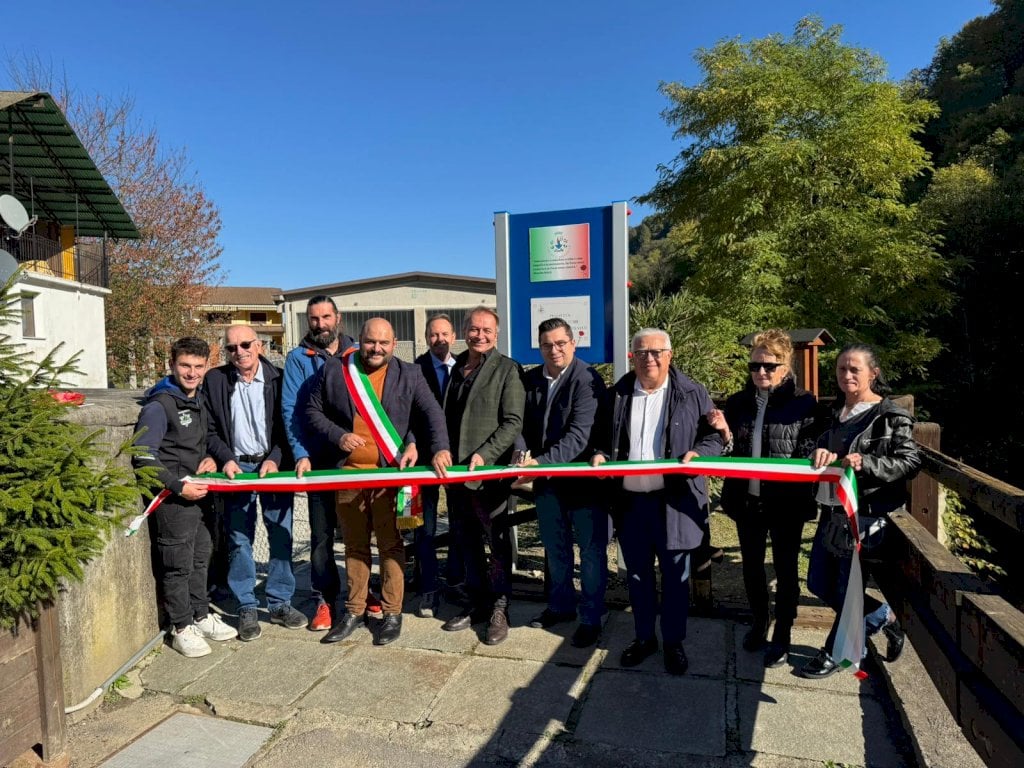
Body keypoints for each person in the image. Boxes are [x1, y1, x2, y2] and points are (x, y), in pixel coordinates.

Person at [306, 318, 450, 646]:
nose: (377, 349)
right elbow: (311, 411)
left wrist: (438, 448)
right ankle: (355, 610)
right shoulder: (334, 371)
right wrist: (338, 435)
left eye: (384, 343)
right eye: (371, 342)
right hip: (349, 475)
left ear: (394, 343)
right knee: (354, 547)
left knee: (390, 545)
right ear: (361, 341)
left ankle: (392, 612)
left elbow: (431, 414)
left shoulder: (410, 373)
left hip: (390, 477)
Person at [590, 328, 723, 675]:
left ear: (670, 355)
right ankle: (644, 637)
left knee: (675, 578)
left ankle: (674, 642)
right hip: (631, 504)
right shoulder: (617, 394)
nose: (649, 358)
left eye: (656, 352)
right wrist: (601, 455)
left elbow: (715, 437)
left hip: (673, 503)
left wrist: (700, 452)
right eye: (642, 352)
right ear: (632, 356)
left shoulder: (692, 392)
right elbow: (601, 439)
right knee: (637, 577)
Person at [800, 342, 921, 679]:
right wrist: (819, 450)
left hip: (866, 515)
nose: (847, 375)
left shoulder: (891, 415)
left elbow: (910, 461)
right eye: (842, 369)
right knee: (818, 583)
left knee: (844, 587)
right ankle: (884, 616)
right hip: (831, 511)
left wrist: (866, 462)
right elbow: (812, 445)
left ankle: (835, 653)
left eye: (855, 369)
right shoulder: (832, 412)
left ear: (873, 373)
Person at [710, 329, 820, 668]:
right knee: (753, 568)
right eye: (755, 365)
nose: (761, 372)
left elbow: (808, 450)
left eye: (769, 366)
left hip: (785, 502)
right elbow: (732, 451)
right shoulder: (740, 402)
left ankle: (783, 633)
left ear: (785, 366)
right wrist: (724, 432)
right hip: (748, 500)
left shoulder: (803, 402)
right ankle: (760, 622)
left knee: (786, 570)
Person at [134, 337, 236, 658]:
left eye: (197, 366)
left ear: (206, 366)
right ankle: (180, 626)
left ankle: (200, 615)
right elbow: (143, 456)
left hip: (201, 497)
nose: (191, 373)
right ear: (172, 365)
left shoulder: (200, 399)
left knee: (199, 558)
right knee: (176, 565)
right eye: (184, 366)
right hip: (173, 500)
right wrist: (178, 487)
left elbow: (202, 443)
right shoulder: (159, 406)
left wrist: (211, 460)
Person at [204, 325, 307, 640]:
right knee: (239, 537)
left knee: (280, 533)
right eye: (232, 347)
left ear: (259, 345)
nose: (240, 352)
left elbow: (289, 423)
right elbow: (209, 427)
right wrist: (225, 458)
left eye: (245, 344)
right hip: (236, 466)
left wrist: (275, 457)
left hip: (273, 464)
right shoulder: (216, 380)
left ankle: (279, 602)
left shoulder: (278, 379)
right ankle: (246, 606)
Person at [436, 306, 525, 645]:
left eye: (487, 330)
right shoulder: (458, 367)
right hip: (457, 476)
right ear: (465, 331)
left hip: (489, 476)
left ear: (497, 334)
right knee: (467, 541)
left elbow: (513, 421)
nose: (480, 335)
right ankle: (478, 602)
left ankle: (500, 608)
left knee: (497, 545)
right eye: (474, 329)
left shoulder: (508, 369)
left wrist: (484, 455)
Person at [517, 317, 607, 647]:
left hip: (584, 484)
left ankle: (592, 617)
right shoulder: (530, 381)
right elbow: (520, 427)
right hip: (547, 485)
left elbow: (578, 437)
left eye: (560, 343)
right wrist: (520, 456)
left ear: (573, 343)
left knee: (592, 554)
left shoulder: (587, 379)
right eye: (546, 345)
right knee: (555, 550)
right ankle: (560, 606)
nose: (554, 350)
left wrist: (537, 463)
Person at [281, 295, 356, 631]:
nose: (321, 324)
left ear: (337, 318)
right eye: (314, 319)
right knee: (322, 535)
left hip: (358, 459)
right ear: (307, 321)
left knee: (360, 530)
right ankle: (324, 599)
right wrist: (301, 453)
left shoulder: (357, 352)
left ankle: (363, 594)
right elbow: (292, 411)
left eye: (326, 317)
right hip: (320, 460)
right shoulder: (298, 359)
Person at [411, 313, 461, 618]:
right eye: (433, 335)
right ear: (426, 338)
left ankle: (455, 580)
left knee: (459, 524)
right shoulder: (414, 369)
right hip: (422, 463)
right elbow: (407, 415)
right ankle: (427, 587)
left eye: (444, 334)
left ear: (453, 337)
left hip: (456, 461)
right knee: (421, 527)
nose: (439, 339)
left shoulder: (467, 368)